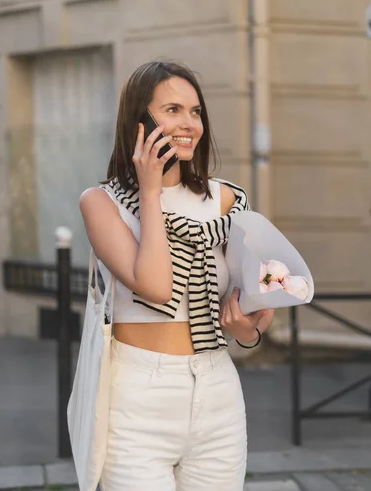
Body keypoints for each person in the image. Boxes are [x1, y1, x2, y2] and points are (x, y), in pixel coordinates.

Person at [79, 61, 274, 491]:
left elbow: (258, 306)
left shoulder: (226, 201)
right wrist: (150, 191)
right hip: (137, 401)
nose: (189, 124)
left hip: (217, 392)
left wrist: (249, 327)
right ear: (140, 122)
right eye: (172, 110)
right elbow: (155, 285)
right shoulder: (102, 202)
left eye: (196, 111)